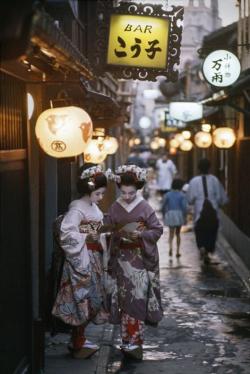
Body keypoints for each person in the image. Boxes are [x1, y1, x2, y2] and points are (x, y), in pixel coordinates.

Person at [104, 164, 163, 360]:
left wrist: (141, 234)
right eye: (124, 192)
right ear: (120, 189)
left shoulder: (145, 206)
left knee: (137, 299)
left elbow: (157, 230)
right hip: (121, 259)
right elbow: (109, 228)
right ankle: (126, 341)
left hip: (138, 259)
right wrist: (114, 234)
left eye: (131, 193)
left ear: (137, 189)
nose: (127, 196)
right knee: (123, 300)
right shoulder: (114, 207)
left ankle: (136, 342)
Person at [52, 164, 109, 359]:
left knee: (92, 298)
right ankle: (77, 341)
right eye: (98, 194)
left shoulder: (92, 207)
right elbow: (67, 233)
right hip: (83, 257)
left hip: (93, 257)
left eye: (102, 194)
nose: (101, 198)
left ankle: (79, 339)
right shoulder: (76, 208)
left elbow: (95, 229)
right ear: (88, 189)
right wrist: (91, 232)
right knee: (81, 299)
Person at [187, 158, 228, 264]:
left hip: (199, 210)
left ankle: (201, 247)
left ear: (198, 168)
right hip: (213, 210)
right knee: (211, 232)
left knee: (200, 231)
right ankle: (208, 251)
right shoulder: (214, 180)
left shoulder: (194, 181)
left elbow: (190, 199)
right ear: (209, 167)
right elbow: (220, 198)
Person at [162, 178, 187, 258]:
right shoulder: (182, 195)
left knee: (171, 233)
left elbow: (163, 206)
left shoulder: (167, 194)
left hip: (170, 214)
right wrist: (185, 216)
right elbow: (184, 207)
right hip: (179, 215)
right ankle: (177, 251)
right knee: (178, 234)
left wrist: (164, 214)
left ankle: (170, 248)